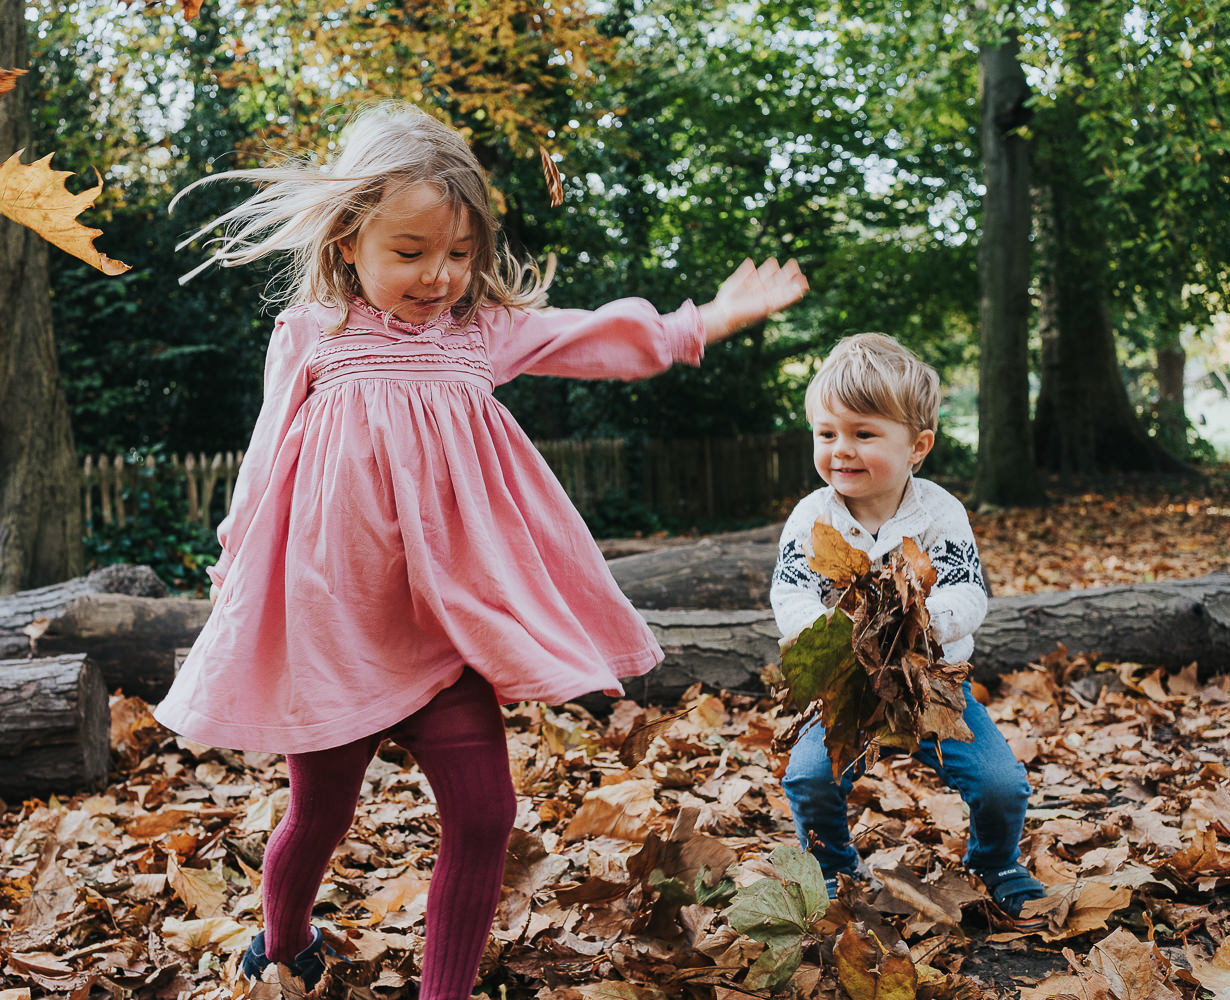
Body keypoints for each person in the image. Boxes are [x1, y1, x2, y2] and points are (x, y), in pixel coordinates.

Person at [154, 101, 809, 998]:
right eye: (412, 252)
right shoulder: (316, 332)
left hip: (449, 626)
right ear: (348, 241)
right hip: (337, 628)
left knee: (486, 814)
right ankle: (282, 941)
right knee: (319, 815)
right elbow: (264, 465)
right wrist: (237, 574)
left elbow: (598, 340)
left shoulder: (480, 333)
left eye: (460, 254)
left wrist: (709, 319)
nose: (439, 276)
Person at [769, 333, 1046, 926]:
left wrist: (925, 622)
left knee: (1001, 785)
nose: (841, 450)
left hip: (931, 683)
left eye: (864, 434)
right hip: (849, 687)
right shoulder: (812, 518)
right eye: (827, 434)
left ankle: (997, 865)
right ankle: (835, 871)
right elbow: (789, 592)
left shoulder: (940, 514)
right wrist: (832, 633)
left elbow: (969, 592)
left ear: (917, 446)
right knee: (811, 776)